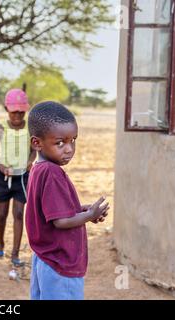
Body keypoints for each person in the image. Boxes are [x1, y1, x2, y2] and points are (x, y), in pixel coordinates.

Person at [25, 101, 109, 300]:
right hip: (60, 264)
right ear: (37, 143)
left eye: (73, 140)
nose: (69, 149)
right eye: (60, 142)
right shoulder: (53, 173)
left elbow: (50, 210)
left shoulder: (39, 168)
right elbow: (60, 221)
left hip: (45, 259)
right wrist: (89, 215)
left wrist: (80, 210)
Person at [0, 88, 36, 267]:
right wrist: (1, 167)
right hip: (4, 177)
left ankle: (15, 253)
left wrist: (31, 162)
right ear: (6, 109)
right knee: (2, 215)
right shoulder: (0, 128)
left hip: (23, 177)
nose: (17, 114)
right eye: (13, 110)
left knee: (18, 213)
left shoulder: (31, 129)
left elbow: (34, 150)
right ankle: (1, 243)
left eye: (21, 111)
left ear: (26, 110)